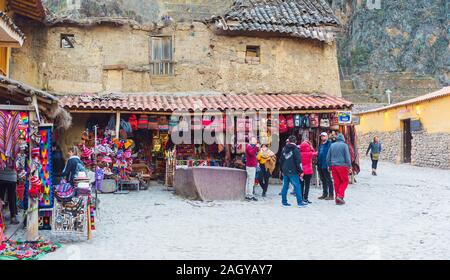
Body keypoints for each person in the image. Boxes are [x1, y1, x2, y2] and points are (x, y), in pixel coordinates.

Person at [280, 135, 307, 207]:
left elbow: (281, 160)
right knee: (297, 186)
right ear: (295, 141)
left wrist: (281, 170)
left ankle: (284, 201)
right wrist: (301, 171)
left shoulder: (284, 149)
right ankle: (300, 202)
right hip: (293, 171)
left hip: (285, 170)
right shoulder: (295, 149)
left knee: (285, 186)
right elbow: (298, 161)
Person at [326, 133, 352, 205]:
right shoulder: (344, 145)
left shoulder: (332, 145)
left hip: (334, 166)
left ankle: (337, 201)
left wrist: (329, 166)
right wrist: (350, 166)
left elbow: (328, 157)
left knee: (336, 183)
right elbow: (347, 157)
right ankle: (340, 196)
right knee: (345, 181)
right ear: (343, 139)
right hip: (342, 166)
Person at [0, 158, 19, 225]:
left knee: (11, 198)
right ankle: (4, 217)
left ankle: (12, 216)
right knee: (2, 198)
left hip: (11, 176)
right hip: (2, 176)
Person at [317, 132, 334, 200]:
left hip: (326, 164)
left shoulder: (330, 144)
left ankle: (331, 195)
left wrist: (329, 164)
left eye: (324, 136)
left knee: (328, 180)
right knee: (323, 180)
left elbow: (331, 154)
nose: (322, 137)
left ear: (327, 137)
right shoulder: (321, 145)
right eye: (321, 136)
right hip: (320, 164)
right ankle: (324, 194)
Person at [245, 137, 259, 201]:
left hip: (250, 165)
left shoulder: (250, 146)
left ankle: (248, 194)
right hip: (251, 166)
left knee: (249, 181)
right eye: (254, 140)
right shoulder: (249, 146)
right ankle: (250, 195)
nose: (256, 141)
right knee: (251, 181)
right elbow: (251, 153)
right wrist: (256, 147)